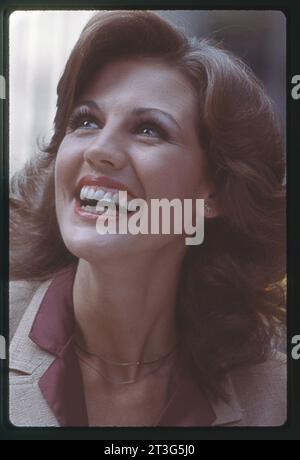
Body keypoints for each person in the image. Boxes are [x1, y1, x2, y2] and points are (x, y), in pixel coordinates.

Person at [9, 10, 286, 427]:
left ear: (213, 192)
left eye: (149, 130)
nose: (100, 150)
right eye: (85, 121)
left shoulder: (276, 395)